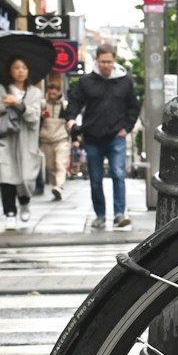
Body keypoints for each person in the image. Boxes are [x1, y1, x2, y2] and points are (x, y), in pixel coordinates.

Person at [65, 43, 140, 230]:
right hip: (92, 136)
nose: (106, 65)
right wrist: (71, 119)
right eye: (102, 62)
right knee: (96, 178)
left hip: (116, 135)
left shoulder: (125, 81)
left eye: (109, 61)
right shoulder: (87, 81)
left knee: (118, 173)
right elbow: (75, 102)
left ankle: (119, 214)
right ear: (97, 61)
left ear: (114, 60)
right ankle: (99, 215)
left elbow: (134, 106)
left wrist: (127, 128)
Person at [0, 58, 44, 230]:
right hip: (4, 140)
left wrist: (18, 104)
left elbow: (33, 118)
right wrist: (3, 104)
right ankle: (9, 213)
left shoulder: (34, 93)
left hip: (26, 141)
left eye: (24, 67)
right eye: (16, 67)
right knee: (6, 177)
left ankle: (24, 201)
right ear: (10, 71)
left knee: (26, 179)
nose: (20, 71)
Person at [38, 78, 71, 202]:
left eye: (54, 93)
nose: (52, 95)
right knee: (50, 166)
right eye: (50, 93)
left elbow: (69, 120)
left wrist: (75, 138)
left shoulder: (65, 105)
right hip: (46, 138)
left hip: (61, 138)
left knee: (60, 163)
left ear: (59, 92)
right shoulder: (42, 104)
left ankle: (59, 186)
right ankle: (55, 187)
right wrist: (42, 115)